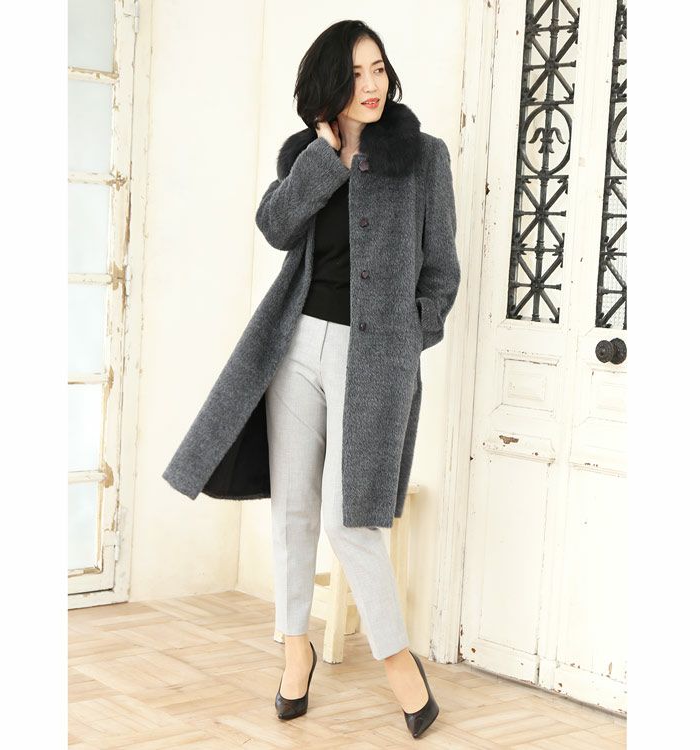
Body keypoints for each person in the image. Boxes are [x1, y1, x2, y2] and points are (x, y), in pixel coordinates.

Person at [261, 19, 457, 739]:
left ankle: (400, 665)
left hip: (374, 355)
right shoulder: (306, 156)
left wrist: (408, 339)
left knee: (352, 519)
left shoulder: (423, 156)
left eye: (378, 68)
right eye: (354, 74)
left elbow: (442, 270)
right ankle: (295, 651)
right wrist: (326, 156)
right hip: (296, 347)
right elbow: (275, 227)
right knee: (293, 511)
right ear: (327, 87)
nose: (371, 85)